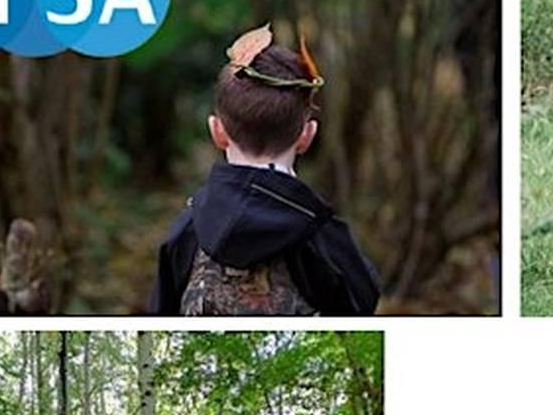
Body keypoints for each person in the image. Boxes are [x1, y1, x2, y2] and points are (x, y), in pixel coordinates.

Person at [151, 24, 382, 316]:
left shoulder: (187, 230)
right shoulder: (321, 235)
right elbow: (363, 302)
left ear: (217, 131)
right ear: (307, 136)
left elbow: (159, 315)